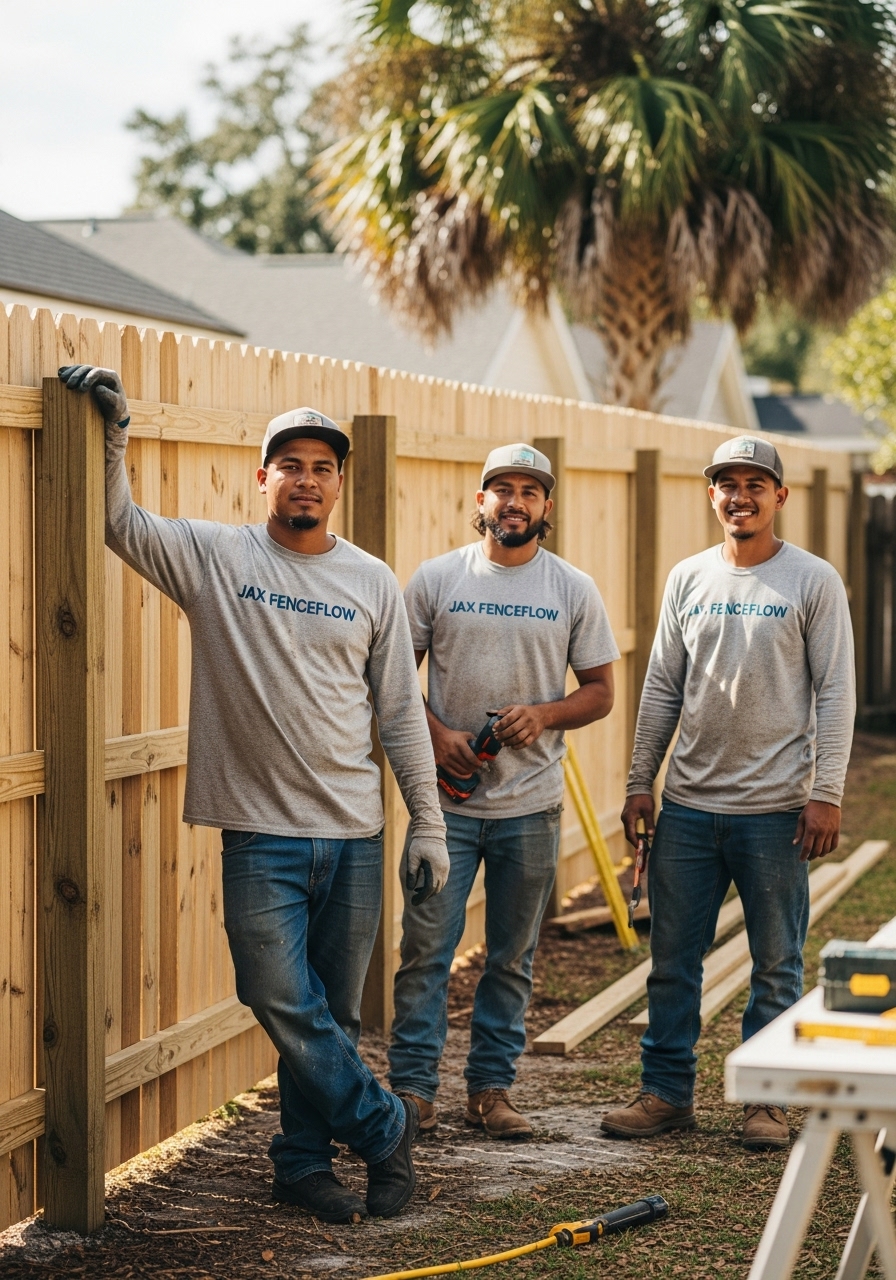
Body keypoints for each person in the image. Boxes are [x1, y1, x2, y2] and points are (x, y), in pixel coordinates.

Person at [58, 364, 450, 1223]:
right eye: (291, 464)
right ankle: (385, 1129)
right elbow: (116, 522)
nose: (306, 479)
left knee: (331, 1015)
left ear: (339, 482)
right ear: (262, 476)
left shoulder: (372, 581)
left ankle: (303, 1166)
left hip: (353, 833)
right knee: (278, 996)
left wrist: (428, 823)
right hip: (259, 837)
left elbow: (399, 712)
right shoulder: (216, 558)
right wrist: (114, 434)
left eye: (323, 467)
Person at [601, 435, 855, 1151]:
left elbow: (837, 690)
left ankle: (766, 1102)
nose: (739, 495)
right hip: (687, 809)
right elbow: (660, 688)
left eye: (754, 483)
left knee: (777, 962)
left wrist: (826, 791)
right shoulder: (688, 578)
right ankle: (665, 1094)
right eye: (726, 483)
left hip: (777, 813)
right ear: (711, 494)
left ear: (779, 495)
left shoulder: (812, 581)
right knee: (673, 963)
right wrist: (638, 782)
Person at [388, 443, 619, 1138]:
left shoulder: (572, 589)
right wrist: (436, 736)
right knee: (425, 951)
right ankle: (413, 1091)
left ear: (547, 508)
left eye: (529, 491)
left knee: (511, 958)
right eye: (501, 489)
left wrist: (545, 715)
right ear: (480, 501)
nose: (514, 501)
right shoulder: (435, 580)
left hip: (532, 808)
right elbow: (395, 682)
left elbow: (604, 692)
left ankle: (491, 1091)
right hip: (446, 807)